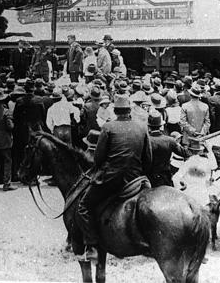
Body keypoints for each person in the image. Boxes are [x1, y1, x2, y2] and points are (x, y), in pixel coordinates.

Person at [77, 95, 152, 261]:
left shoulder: (108, 127)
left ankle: (92, 246)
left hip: (112, 178)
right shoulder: (142, 127)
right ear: (129, 111)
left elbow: (98, 158)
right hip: (136, 178)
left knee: (83, 206)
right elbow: (148, 158)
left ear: (116, 111)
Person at [147, 110, 191, 188]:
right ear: (161, 126)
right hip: (165, 177)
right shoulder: (169, 140)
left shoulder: (145, 140)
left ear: (148, 126)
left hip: (149, 178)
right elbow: (186, 153)